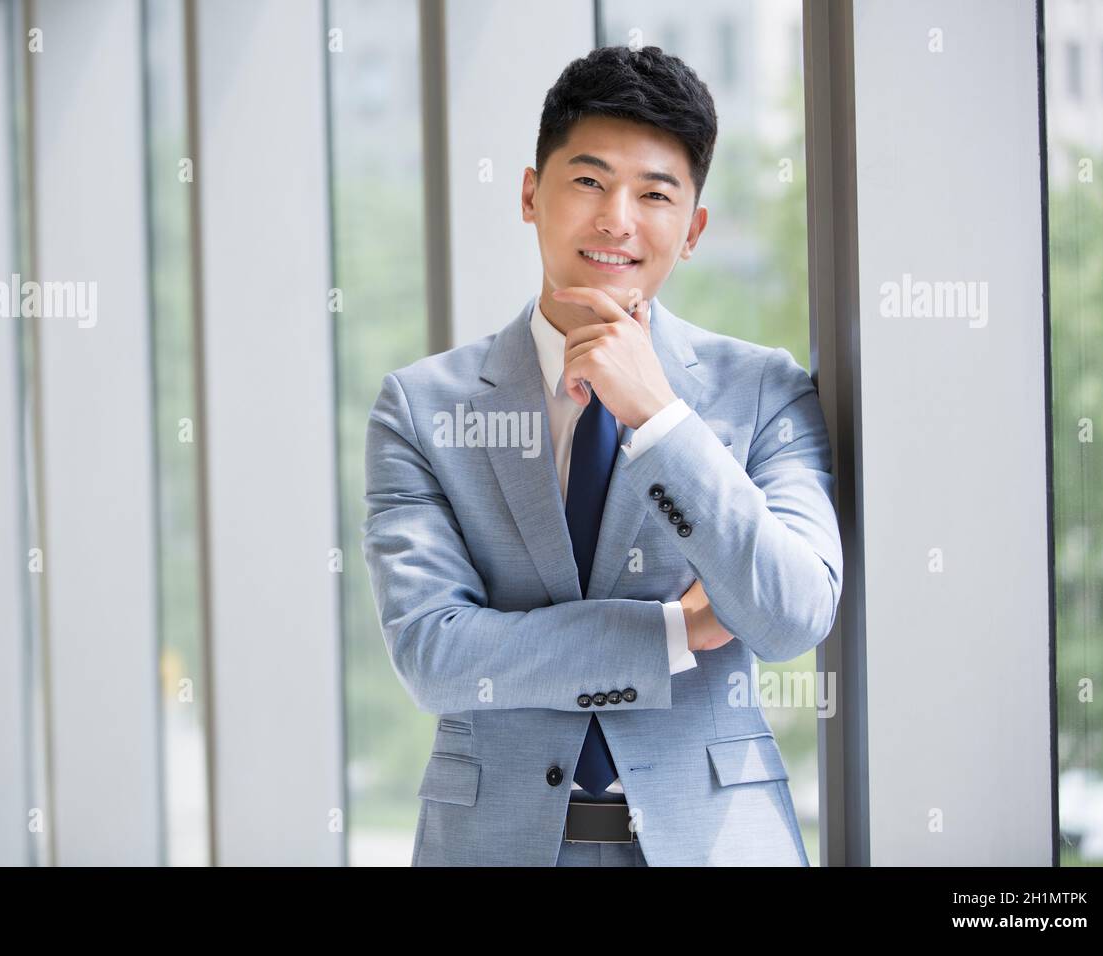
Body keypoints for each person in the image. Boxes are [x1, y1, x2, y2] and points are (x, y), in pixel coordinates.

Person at [361, 45, 843, 866]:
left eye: (655, 193)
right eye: (588, 180)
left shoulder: (765, 389)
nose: (618, 217)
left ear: (691, 230)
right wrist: (674, 633)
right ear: (529, 194)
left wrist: (657, 418)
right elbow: (436, 655)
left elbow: (791, 613)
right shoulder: (424, 407)